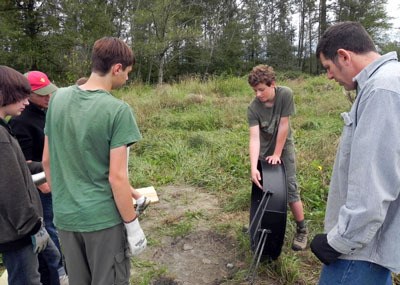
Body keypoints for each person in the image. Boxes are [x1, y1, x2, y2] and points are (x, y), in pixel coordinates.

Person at [42, 37, 147, 285]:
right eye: (128, 73)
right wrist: (132, 226)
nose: (127, 79)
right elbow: (117, 177)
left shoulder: (57, 99)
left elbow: (47, 160)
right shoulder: (118, 111)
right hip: (102, 221)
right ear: (117, 68)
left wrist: (67, 201)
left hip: (66, 218)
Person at [310, 21, 400, 285]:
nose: (328, 76)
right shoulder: (389, 81)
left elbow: (373, 184)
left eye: (328, 67)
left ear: (344, 56)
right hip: (373, 241)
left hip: (360, 251)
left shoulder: (382, 90)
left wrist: (338, 241)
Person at [9, 71, 68, 285]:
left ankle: (59, 267)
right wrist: (44, 184)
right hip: (41, 187)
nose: (47, 97)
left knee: (55, 227)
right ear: (27, 93)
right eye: (41, 94)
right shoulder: (20, 122)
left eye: (49, 92)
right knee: (49, 227)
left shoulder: (45, 112)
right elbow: (21, 164)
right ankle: (56, 271)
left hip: (52, 178)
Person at [0, 65, 56, 284]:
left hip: (22, 227)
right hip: (18, 232)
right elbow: (10, 190)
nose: (25, 101)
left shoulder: (4, 129)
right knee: (27, 279)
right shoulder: (2, 138)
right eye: (20, 96)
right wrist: (32, 229)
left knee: (52, 257)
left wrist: (50, 167)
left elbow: (18, 168)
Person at [247, 64, 308, 251]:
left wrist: (277, 154)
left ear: (273, 84)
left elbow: (284, 125)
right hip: (264, 152)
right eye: (255, 90)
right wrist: (253, 167)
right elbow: (254, 138)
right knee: (264, 190)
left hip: (284, 148)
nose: (258, 94)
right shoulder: (253, 108)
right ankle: (262, 224)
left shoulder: (285, 94)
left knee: (290, 189)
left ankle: (302, 229)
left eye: (261, 90)